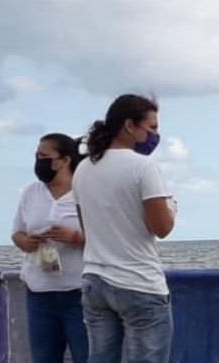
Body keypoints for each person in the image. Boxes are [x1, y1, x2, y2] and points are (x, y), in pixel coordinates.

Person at [72, 94, 176, 363]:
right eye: (151, 128)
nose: (155, 135)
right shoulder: (143, 167)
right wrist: (172, 208)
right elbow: (162, 228)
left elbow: (88, 228)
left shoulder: (83, 169)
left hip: (95, 280)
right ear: (130, 126)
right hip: (139, 283)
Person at [12, 133, 88, 363]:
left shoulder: (84, 192)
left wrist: (74, 237)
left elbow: (107, 237)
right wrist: (26, 242)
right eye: (36, 156)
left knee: (87, 356)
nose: (38, 161)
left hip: (80, 293)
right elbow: (17, 231)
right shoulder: (31, 192)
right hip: (40, 294)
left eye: (44, 156)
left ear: (64, 161)